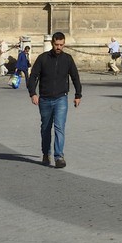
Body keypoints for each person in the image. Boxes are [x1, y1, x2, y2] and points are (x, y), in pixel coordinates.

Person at [28, 32, 82, 167]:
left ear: (64, 44)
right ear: (52, 43)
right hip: (45, 100)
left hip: (61, 99)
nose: (59, 47)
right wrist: (33, 93)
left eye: (61, 45)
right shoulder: (43, 58)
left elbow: (75, 77)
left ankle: (59, 157)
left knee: (59, 127)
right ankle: (46, 154)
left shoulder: (68, 59)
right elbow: (33, 76)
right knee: (45, 128)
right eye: (56, 44)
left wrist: (78, 95)